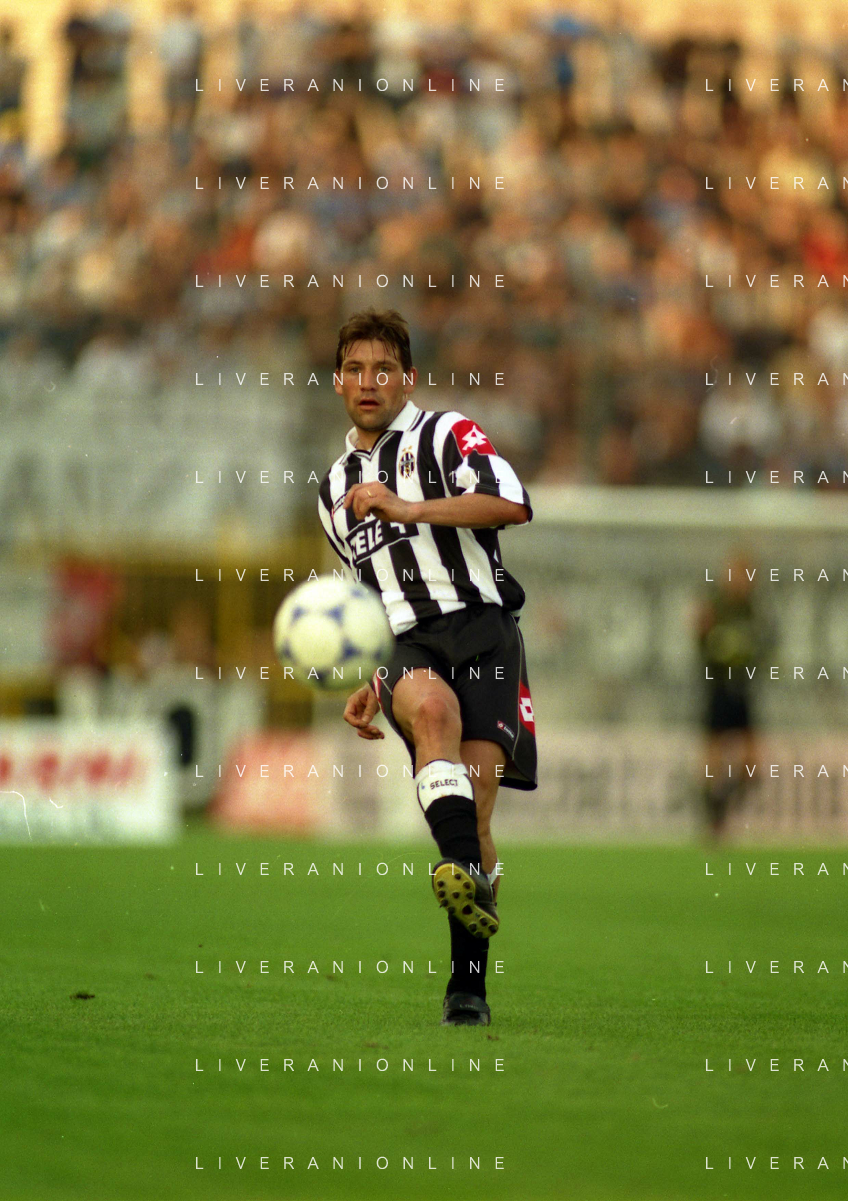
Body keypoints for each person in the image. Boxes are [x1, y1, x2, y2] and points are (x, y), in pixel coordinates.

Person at [317, 308, 537, 1027]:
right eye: (355, 370)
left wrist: (406, 506)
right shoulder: (332, 489)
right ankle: (463, 872)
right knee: (434, 716)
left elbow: (513, 504)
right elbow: (369, 588)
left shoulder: (448, 433)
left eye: (383, 369)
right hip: (407, 645)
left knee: (477, 807)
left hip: (483, 631)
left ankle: (467, 986)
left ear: (408, 378)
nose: (368, 382)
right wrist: (367, 674)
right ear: (337, 381)